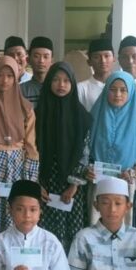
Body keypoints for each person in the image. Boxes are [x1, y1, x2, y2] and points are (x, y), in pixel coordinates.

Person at [0, 56, 39, 247]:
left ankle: (15, 269)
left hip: (18, 171)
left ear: (16, 78)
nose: (4, 80)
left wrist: (30, 181)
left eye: (9, 76)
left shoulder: (26, 107)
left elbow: (31, 147)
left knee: (17, 221)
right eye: (0, 75)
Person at [88, 72, 136, 230]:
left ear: (131, 92)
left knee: (125, 232)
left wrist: (135, 173)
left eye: (123, 90)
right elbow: (85, 150)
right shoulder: (96, 116)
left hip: (128, 186)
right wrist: (88, 169)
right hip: (99, 186)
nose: (117, 94)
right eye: (112, 89)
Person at [35, 62, 92, 251]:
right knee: (45, 233)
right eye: (56, 80)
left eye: (66, 80)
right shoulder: (38, 113)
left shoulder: (81, 115)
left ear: (73, 84)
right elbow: (31, 149)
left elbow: (85, 151)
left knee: (71, 234)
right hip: (45, 182)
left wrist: (74, 184)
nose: (61, 84)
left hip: (72, 185)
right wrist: (38, 182)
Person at [78, 38, 115, 112]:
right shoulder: (80, 88)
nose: (103, 61)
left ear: (114, 59)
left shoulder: (121, 87)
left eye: (107, 56)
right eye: (96, 57)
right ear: (89, 62)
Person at [19, 36, 53, 107]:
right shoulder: (21, 90)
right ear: (28, 60)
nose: (41, 61)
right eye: (36, 56)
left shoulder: (57, 87)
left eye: (46, 57)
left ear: (52, 61)